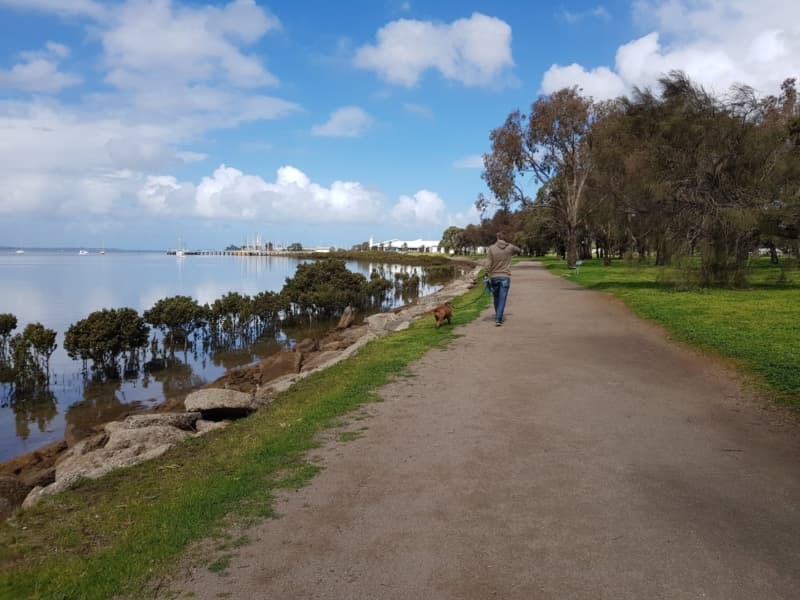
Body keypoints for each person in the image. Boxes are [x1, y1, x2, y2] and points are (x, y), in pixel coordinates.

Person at [486, 231, 520, 326]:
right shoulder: (509, 247)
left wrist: (486, 273)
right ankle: (498, 318)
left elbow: (488, 263)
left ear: (497, 238)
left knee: (496, 298)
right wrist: (509, 245)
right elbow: (519, 250)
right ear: (504, 238)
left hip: (494, 277)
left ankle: (498, 316)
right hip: (505, 277)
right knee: (502, 299)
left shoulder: (491, 248)